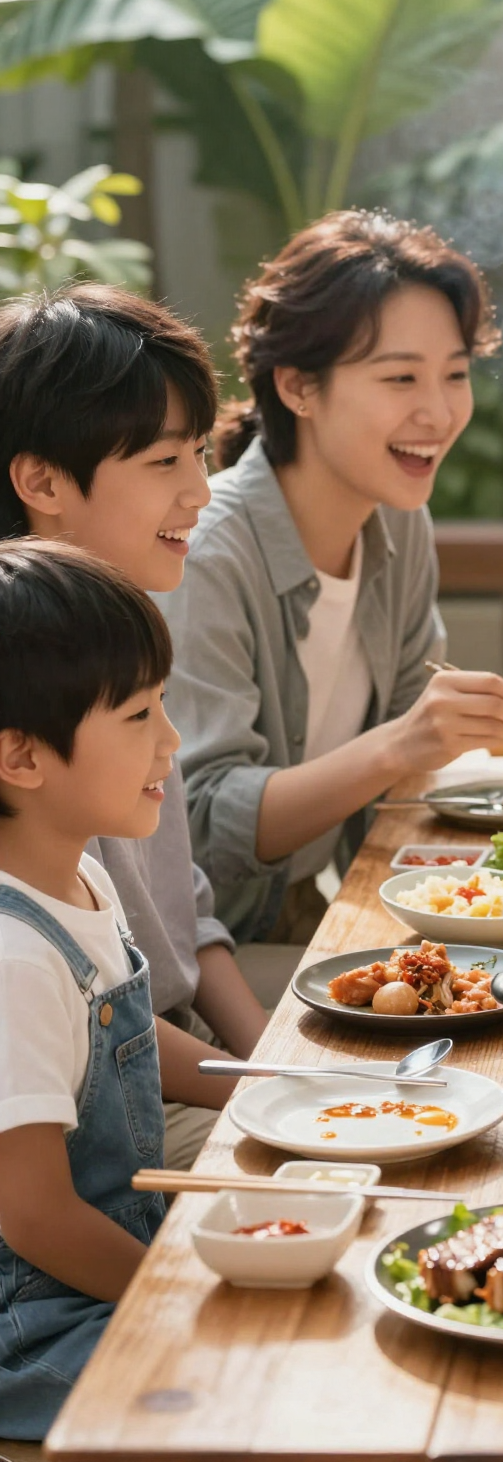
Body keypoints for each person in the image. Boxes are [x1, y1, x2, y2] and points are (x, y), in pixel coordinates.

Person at [156, 211, 503, 945]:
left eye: (455, 375)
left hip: (314, 917)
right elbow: (202, 820)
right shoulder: (207, 552)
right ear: (298, 386)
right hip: (205, 953)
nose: (440, 410)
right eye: (400, 377)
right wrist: (403, 742)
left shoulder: (397, 521)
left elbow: (397, 776)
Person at [0, 283, 261, 1169]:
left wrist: (268, 1061)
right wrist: (268, 1086)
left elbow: (182, 907)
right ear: (40, 481)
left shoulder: (120, 628)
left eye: (201, 453)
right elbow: (93, 1008)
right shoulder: (37, 683)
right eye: (162, 463)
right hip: (108, 1109)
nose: (202, 492)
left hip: (184, 1053)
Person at [0, 540, 236, 1439]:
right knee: (263, 1379)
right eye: (139, 714)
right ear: (23, 756)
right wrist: (178, 1289)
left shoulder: (83, 877)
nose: (170, 742)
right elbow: (37, 1217)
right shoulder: (14, 956)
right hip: (38, 1322)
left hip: (111, 1252)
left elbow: (132, 1033)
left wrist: (272, 1088)